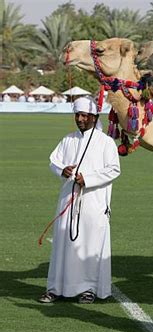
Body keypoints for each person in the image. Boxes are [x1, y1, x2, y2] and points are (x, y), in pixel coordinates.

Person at [39, 97, 120, 304]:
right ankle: (56, 287)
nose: (80, 119)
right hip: (69, 199)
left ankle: (89, 289)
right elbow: (54, 161)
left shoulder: (106, 141)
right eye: (77, 115)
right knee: (63, 243)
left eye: (84, 115)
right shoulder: (68, 139)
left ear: (94, 117)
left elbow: (114, 169)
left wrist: (89, 179)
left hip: (94, 201)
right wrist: (62, 170)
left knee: (90, 245)